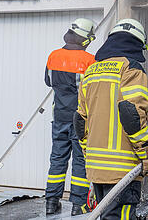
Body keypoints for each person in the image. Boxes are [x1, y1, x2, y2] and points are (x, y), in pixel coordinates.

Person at [74, 18, 148, 220]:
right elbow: (132, 116)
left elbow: (80, 121)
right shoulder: (131, 69)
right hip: (123, 168)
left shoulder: (91, 70)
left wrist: (88, 155)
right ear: (137, 44)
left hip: (96, 167)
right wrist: (147, 155)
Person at [44, 18, 97, 216]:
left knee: (57, 158)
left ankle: (51, 202)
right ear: (85, 39)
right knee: (80, 161)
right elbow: (92, 91)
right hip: (80, 118)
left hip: (59, 117)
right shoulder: (89, 60)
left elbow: (48, 82)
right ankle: (78, 205)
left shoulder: (53, 56)